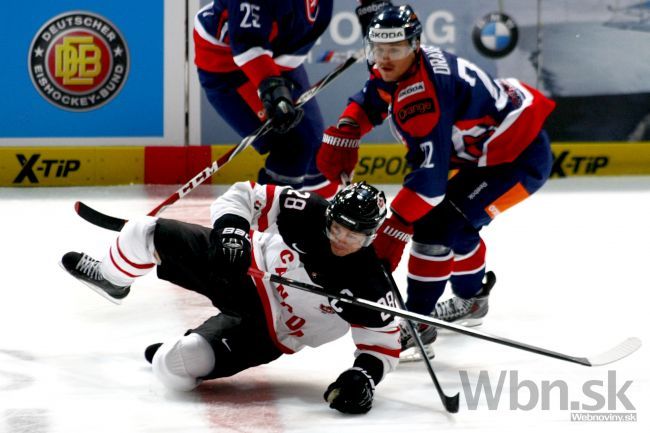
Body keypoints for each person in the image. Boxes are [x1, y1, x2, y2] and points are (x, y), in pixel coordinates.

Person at [315, 4, 555, 357]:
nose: (383, 59)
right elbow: (374, 95)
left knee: (435, 227)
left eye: (394, 50)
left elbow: (430, 182)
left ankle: (419, 321)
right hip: (487, 151)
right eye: (378, 49)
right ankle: (473, 299)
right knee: (456, 226)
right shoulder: (396, 61)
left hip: (518, 159)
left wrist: (394, 229)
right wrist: (350, 127)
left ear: (415, 45)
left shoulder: (423, 98)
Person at [60, 181, 400, 414]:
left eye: (354, 235)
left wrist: (362, 378)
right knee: (141, 231)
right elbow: (246, 195)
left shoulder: (369, 284)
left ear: (371, 236)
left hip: (266, 332)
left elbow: (381, 346)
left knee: (171, 368)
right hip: (240, 267)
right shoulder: (307, 211)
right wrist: (233, 231)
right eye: (337, 228)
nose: (341, 239)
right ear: (329, 217)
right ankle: (112, 278)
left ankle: (189, 341)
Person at [193, 0, 390, 198]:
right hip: (230, 66)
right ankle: (267, 221)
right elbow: (248, 42)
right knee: (292, 145)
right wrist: (273, 91)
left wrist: (373, 10)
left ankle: (321, 218)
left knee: (316, 150)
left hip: (281, 56)